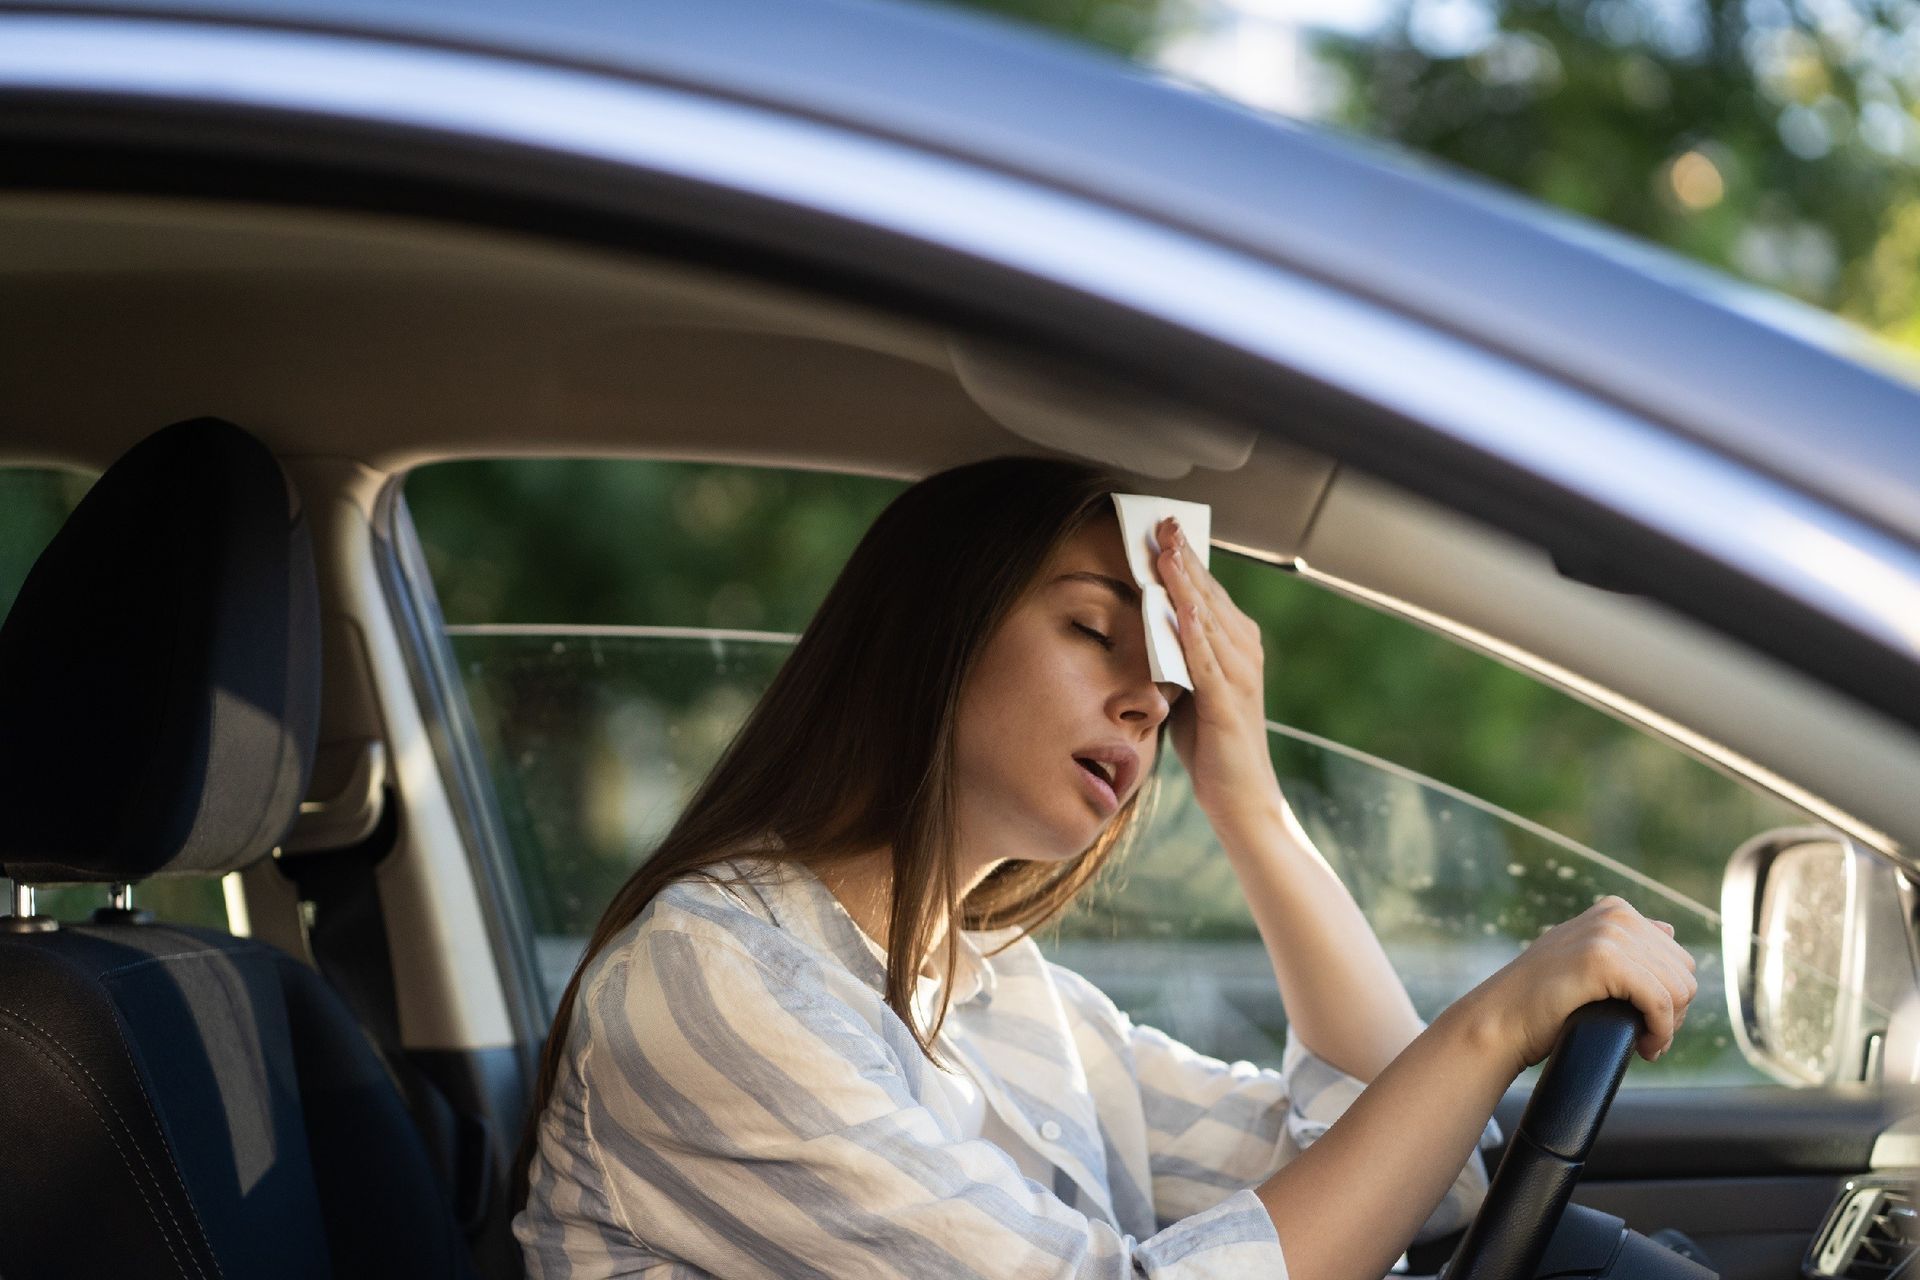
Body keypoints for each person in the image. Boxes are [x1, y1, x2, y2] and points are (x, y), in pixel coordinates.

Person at [511, 456, 1698, 1280]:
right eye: (1091, 628)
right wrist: (1492, 1023)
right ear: (934, 630)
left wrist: (1251, 800)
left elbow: (1411, 1178)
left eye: (1170, 684)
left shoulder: (1003, 993)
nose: (1146, 699)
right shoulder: (710, 979)